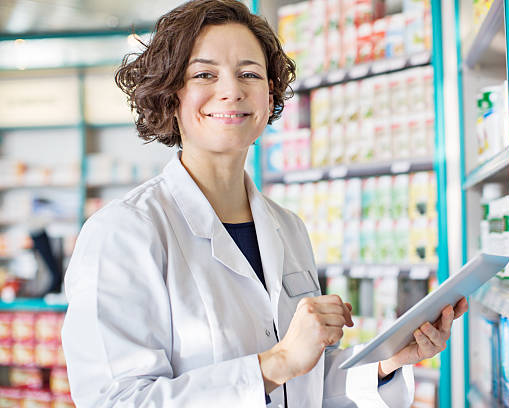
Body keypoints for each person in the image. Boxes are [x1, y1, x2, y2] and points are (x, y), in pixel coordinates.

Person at [61, 0, 468, 406]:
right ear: (170, 96)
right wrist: (275, 363)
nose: (232, 90)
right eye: (205, 74)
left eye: (249, 74)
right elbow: (116, 400)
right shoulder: (123, 232)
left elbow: (300, 382)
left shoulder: (288, 227)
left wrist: (385, 361)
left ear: (269, 95)